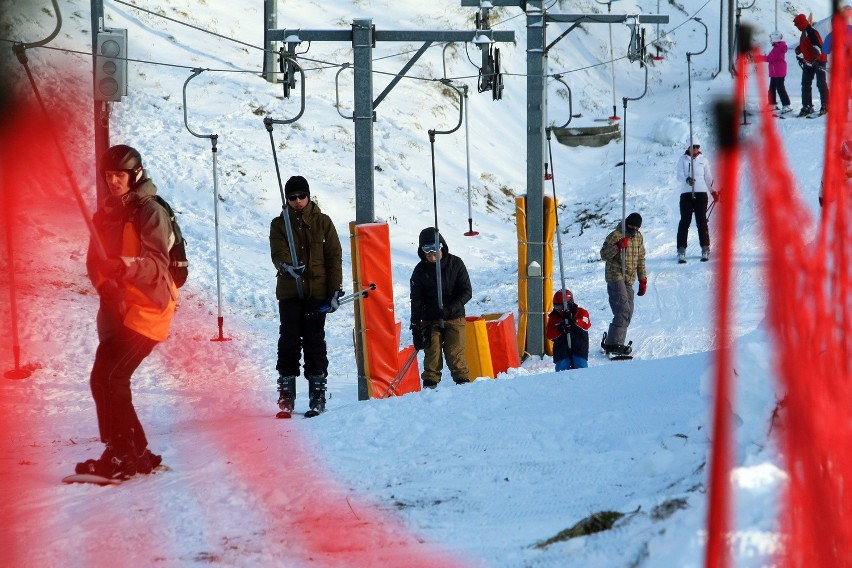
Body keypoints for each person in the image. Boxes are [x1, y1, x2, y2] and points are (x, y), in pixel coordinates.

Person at [77, 145, 177, 479]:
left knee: (110, 377)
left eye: (120, 175)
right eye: (109, 176)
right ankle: (135, 452)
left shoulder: (150, 212)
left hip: (148, 308)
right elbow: (95, 264)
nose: (114, 181)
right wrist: (107, 285)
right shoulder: (104, 214)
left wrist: (122, 267)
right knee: (104, 379)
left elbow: (157, 265)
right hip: (118, 309)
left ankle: (121, 455)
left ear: (135, 175)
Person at [269, 176, 343, 417]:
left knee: (314, 341)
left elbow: (334, 258)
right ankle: (286, 395)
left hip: (317, 293)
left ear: (308, 196)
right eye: (292, 197)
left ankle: (317, 395)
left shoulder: (323, 223)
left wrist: (334, 291)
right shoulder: (279, 225)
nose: (298, 201)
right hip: (290, 292)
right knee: (289, 340)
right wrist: (286, 266)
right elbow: (277, 251)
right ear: (286, 199)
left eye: (302, 196)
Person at [409, 227, 472, 388]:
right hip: (431, 320)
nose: (431, 254)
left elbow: (466, 291)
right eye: (426, 250)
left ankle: (463, 385)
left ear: (441, 246)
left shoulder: (456, 263)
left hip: (454, 317)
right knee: (432, 355)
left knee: (454, 354)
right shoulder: (419, 271)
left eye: (435, 248)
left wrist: (449, 309)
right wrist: (416, 326)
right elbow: (416, 300)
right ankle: (430, 388)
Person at [599, 212, 647, 355]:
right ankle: (615, 344)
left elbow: (640, 259)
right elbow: (603, 255)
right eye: (630, 227)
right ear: (626, 224)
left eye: (636, 228)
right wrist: (617, 246)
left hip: (629, 278)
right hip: (615, 275)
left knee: (629, 311)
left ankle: (613, 341)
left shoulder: (638, 237)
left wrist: (642, 279)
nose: (633, 231)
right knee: (622, 310)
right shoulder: (616, 235)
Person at [675, 138, 717, 263]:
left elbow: (708, 177)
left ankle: (705, 248)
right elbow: (679, 176)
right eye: (693, 146)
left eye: (697, 146)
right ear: (688, 147)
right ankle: (681, 250)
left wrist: (713, 191)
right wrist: (687, 180)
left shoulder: (703, 160)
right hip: (686, 194)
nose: (695, 149)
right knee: (685, 221)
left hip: (701, 194)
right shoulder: (682, 160)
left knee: (701, 221)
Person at [545, 289, 592, 370]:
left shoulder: (581, 312)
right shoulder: (553, 317)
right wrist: (560, 329)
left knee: (581, 367)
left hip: (579, 347)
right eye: (556, 307)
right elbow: (549, 335)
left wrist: (574, 320)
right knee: (561, 368)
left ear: (569, 304)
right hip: (561, 349)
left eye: (560, 307)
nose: (558, 310)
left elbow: (586, 325)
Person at [794, 13, 829, 117]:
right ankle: (807, 106)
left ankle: (826, 105)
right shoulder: (804, 32)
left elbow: (819, 48)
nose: (796, 27)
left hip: (819, 60)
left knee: (821, 83)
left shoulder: (812, 32)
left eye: (797, 24)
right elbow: (804, 44)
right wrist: (798, 49)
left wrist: (817, 60)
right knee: (805, 84)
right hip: (808, 62)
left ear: (801, 23)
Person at [760, 31, 793, 114]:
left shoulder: (778, 48)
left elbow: (769, 58)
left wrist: (759, 58)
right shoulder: (777, 47)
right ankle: (772, 104)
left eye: (771, 39)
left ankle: (787, 105)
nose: (771, 40)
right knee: (772, 89)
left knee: (780, 89)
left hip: (778, 72)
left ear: (775, 39)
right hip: (775, 72)